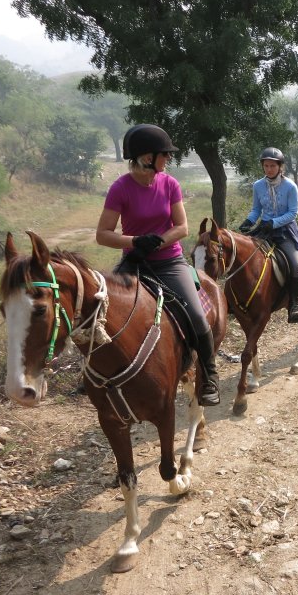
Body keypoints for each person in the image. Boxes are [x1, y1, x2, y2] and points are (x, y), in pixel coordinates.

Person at [95, 124, 221, 406]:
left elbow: (183, 227)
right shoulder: (120, 188)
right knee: (100, 316)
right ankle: (97, 373)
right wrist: (135, 241)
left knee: (199, 318)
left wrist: (158, 241)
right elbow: (102, 234)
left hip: (169, 262)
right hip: (134, 261)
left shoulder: (169, 184)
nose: (168, 159)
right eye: (164, 154)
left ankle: (209, 376)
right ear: (146, 157)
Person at [237, 147, 298, 322]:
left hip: (285, 231)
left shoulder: (290, 186)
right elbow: (256, 210)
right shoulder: (258, 186)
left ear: (280, 167)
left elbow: (293, 212)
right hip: (264, 230)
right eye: (266, 166)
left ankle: (295, 305)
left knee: (297, 265)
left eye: (272, 166)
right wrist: (249, 221)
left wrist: (274, 223)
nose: (269, 169)